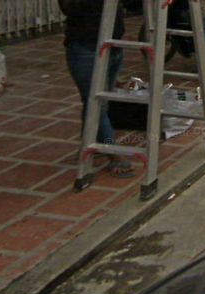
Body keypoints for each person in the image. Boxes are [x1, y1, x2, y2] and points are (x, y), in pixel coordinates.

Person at [58, 0, 134, 178]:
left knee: (99, 102)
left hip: (113, 47)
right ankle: (112, 152)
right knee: (96, 103)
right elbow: (69, 7)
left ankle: (91, 143)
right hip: (87, 49)